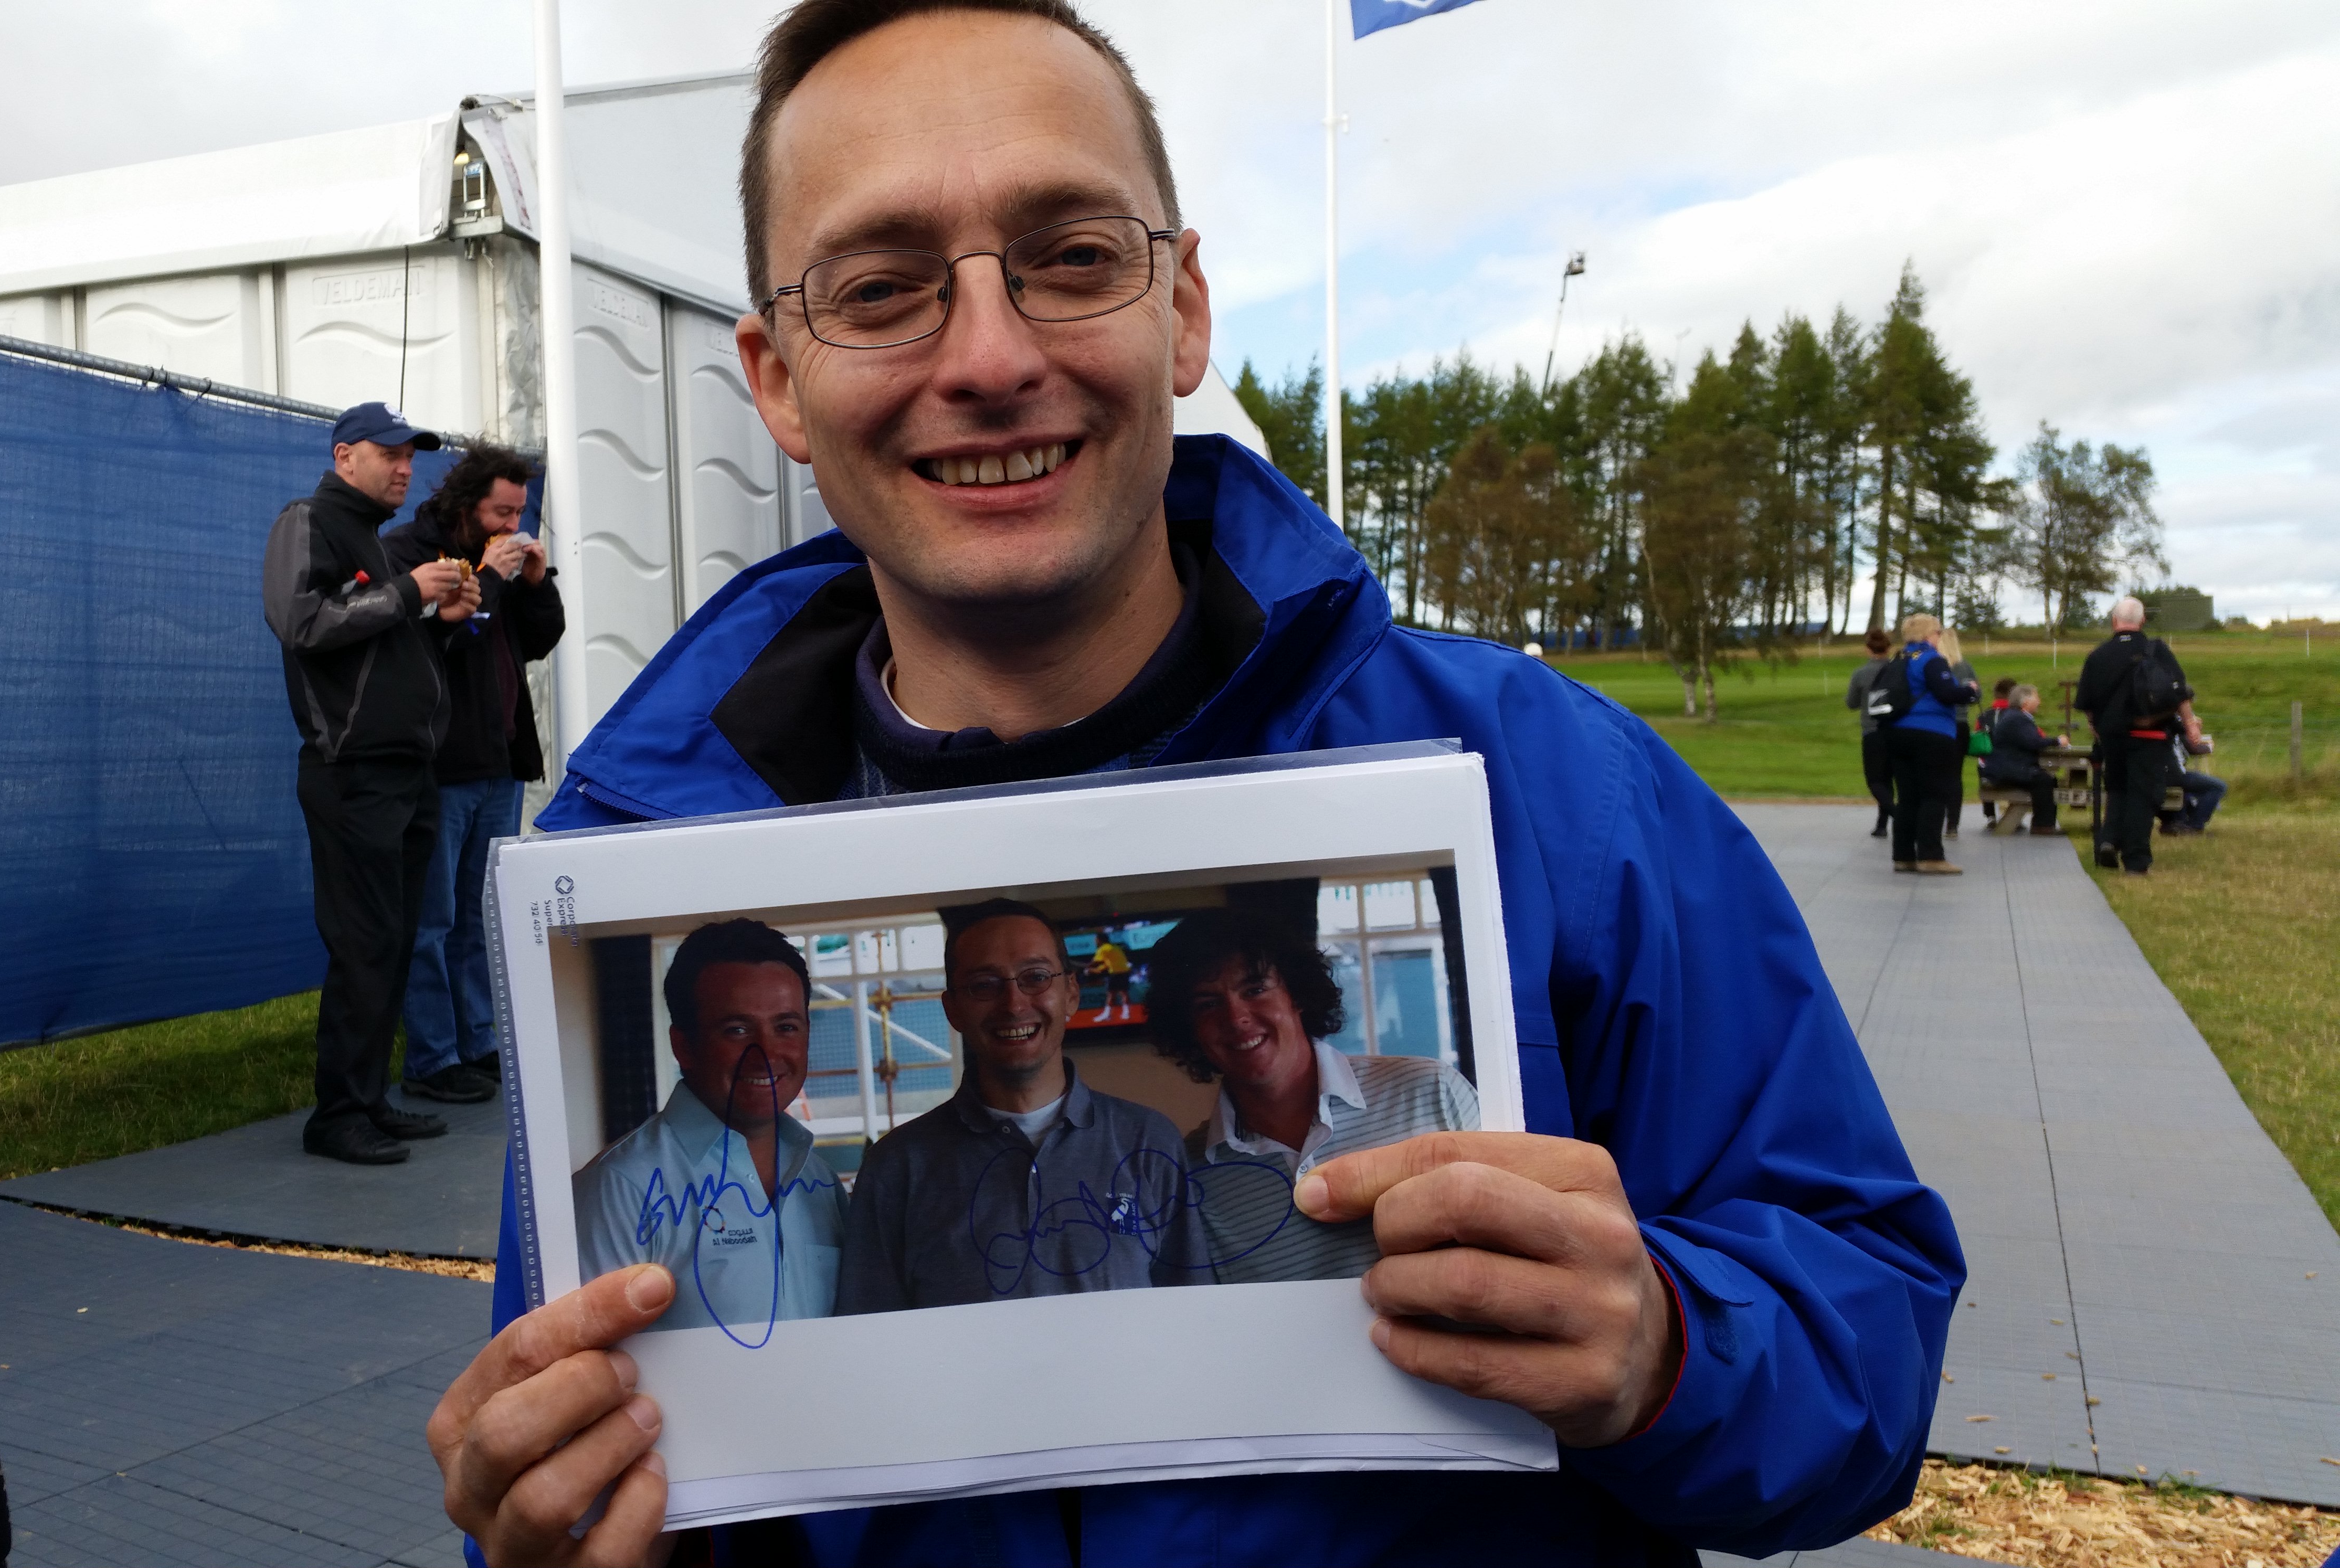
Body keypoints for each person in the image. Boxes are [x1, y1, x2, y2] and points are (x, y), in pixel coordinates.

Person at [428, 4, 1961, 1562]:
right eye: (881, 289)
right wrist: (553, 1521)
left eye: (1072, 256)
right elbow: (609, 1456)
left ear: (1184, 309)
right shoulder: (636, 873)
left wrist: (1669, 1348)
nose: (992, 355)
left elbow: (1868, 1342)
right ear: (776, 379)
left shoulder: (1550, 791)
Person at [261, 402, 473, 1166]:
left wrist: (441, 616)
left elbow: (381, 650)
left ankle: (370, 1101)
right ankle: (338, 1115)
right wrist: (412, 593)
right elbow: (302, 623)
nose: (406, 467)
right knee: (364, 944)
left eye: (412, 456)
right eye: (391, 454)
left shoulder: (379, 547)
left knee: (391, 942)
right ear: (346, 456)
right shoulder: (308, 520)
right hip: (352, 774)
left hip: (407, 774)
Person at [833, 900, 1205, 1312]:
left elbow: (1194, 1318)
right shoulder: (898, 1167)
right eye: (983, 985)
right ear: (952, 1009)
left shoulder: (1149, 1142)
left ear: (1071, 994)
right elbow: (872, 1338)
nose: (1012, 1004)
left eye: (1036, 978)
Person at [1147, 908, 1479, 1285]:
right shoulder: (1189, 1173)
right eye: (1208, 1004)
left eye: (1255, 990)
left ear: (1297, 994)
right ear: (1188, 1028)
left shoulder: (1431, 1090)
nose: (1236, 1017)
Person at [382, 444, 567, 1105]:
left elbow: (537, 643)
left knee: (479, 917)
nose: (512, 522)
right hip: (440, 763)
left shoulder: (504, 558)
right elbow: (434, 642)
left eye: (519, 511)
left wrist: (537, 583)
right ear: (468, 505)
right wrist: (486, 576)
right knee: (432, 918)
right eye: (502, 510)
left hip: (499, 758)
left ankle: (478, 1043)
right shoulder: (409, 552)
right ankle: (432, 1058)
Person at [574, 920, 845, 1337]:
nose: (766, 1054)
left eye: (786, 1027)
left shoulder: (822, 1183)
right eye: (736, 1030)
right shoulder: (619, 1190)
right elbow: (590, 1370)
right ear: (683, 1046)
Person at [2073, 596, 2195, 876]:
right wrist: (2191, 726)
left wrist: (2100, 730)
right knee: (2143, 796)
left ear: (2114, 621)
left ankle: (2107, 840)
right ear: (2142, 622)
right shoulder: (2156, 650)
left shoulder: (2098, 655)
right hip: (2150, 734)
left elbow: (2088, 706)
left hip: (2113, 738)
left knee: (2117, 790)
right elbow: (2180, 693)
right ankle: (2136, 860)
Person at [1881, 614, 1979, 876]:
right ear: (1928, 636)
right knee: (1934, 794)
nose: (1939, 637)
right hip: (1932, 734)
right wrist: (1970, 691)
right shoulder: (1932, 660)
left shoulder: (1898, 660)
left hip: (1897, 733)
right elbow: (1947, 694)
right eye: (1937, 632)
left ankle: (1903, 855)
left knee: (1908, 796)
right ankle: (1931, 856)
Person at [1980, 683, 2066, 836]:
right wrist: (2057, 741)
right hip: (2009, 770)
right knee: (2044, 780)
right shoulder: (2018, 719)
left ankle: (2043, 823)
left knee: (2046, 779)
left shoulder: (2015, 717)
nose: (2039, 701)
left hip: (2007, 767)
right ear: (2025, 702)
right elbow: (2033, 742)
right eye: (2036, 698)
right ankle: (2043, 826)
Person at [1843, 628, 1894, 839]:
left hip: (1872, 731)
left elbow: (1852, 703)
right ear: (1889, 648)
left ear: (1868, 649)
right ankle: (1882, 824)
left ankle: (1897, 815)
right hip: (1895, 729)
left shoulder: (1861, 674)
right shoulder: (1897, 670)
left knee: (1875, 780)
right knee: (1888, 778)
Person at [1937, 626, 1981, 840]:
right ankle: (1953, 823)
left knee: (1936, 774)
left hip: (1938, 724)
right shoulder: (1965, 667)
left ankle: (1934, 818)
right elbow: (1976, 696)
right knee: (1955, 775)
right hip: (1960, 723)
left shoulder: (1935, 666)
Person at [2162, 702, 2227, 835]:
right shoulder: (2175, 722)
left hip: (2153, 774)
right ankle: (2194, 826)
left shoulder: (2158, 720)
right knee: (2219, 787)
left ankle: (2175, 822)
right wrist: (2193, 728)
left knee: (2187, 791)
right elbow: (2192, 748)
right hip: (2173, 775)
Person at [1977, 676, 2017, 824]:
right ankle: (2013, 816)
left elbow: (1979, 738)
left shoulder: (1983, 715)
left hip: (1987, 768)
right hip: (2012, 766)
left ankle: (1990, 815)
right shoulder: (2018, 716)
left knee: (1983, 765)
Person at [1085, 932, 1135, 1021]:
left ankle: (1108, 1015)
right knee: (1124, 993)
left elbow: (1096, 963)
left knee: (1112, 994)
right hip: (1125, 972)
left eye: (1096, 940)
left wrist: (1087, 967)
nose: (1095, 942)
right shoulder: (1115, 947)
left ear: (1100, 940)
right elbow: (1107, 965)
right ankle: (1127, 1014)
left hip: (1116, 973)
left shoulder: (1103, 949)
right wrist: (1092, 970)